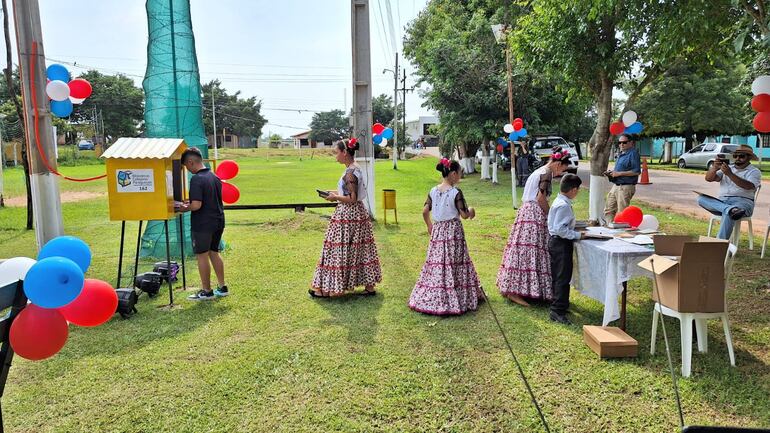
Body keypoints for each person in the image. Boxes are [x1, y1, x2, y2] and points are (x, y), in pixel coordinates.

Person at [497, 148, 572, 306]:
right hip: (533, 214)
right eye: (562, 169)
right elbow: (540, 198)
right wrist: (550, 214)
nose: (560, 174)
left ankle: (520, 289)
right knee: (529, 251)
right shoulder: (546, 173)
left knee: (524, 251)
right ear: (558, 164)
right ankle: (516, 290)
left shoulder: (540, 171)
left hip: (527, 213)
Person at [408, 158, 483, 315]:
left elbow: (424, 211)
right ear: (453, 174)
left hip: (438, 230)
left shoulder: (433, 190)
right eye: (460, 173)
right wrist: (472, 210)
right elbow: (463, 215)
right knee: (455, 262)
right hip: (452, 231)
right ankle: (457, 294)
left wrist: (429, 225)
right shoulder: (456, 192)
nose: (460, 176)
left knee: (438, 263)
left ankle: (435, 293)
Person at [310, 139, 382, 297]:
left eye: (337, 152)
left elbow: (352, 198)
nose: (335, 156)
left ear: (344, 153)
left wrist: (334, 198)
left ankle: (330, 288)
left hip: (349, 215)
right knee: (361, 249)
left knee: (338, 249)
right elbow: (349, 193)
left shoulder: (350, 172)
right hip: (357, 214)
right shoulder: (355, 168)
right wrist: (334, 193)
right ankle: (369, 287)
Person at [179, 147, 228, 301]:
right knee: (214, 252)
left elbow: (196, 205)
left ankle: (206, 291)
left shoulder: (196, 179)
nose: (188, 169)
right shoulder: (214, 176)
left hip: (203, 224)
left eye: (187, 166)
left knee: (202, 255)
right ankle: (222, 286)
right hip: (218, 220)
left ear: (191, 162)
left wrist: (184, 207)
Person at [697, 144, 762, 240]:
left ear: (749, 158)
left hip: (742, 203)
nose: (738, 158)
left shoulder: (754, 171)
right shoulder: (728, 168)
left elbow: (749, 186)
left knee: (729, 214)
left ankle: (719, 245)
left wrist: (730, 174)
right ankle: (730, 209)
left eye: (741, 156)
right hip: (723, 203)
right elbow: (709, 178)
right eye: (735, 156)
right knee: (700, 199)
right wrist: (714, 168)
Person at [547, 174, 583, 325]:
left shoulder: (559, 200)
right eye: (578, 189)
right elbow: (560, 229)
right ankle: (557, 310)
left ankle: (561, 303)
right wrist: (579, 235)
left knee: (560, 275)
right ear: (573, 190)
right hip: (561, 243)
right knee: (562, 277)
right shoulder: (564, 205)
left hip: (556, 243)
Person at [603, 135, 641, 224]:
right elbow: (619, 170)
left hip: (625, 186)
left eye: (624, 142)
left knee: (622, 213)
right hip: (616, 185)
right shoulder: (621, 154)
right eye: (619, 143)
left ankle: (621, 233)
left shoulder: (633, 153)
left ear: (631, 142)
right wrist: (611, 173)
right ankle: (609, 229)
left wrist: (619, 173)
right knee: (608, 209)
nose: (621, 145)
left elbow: (636, 171)